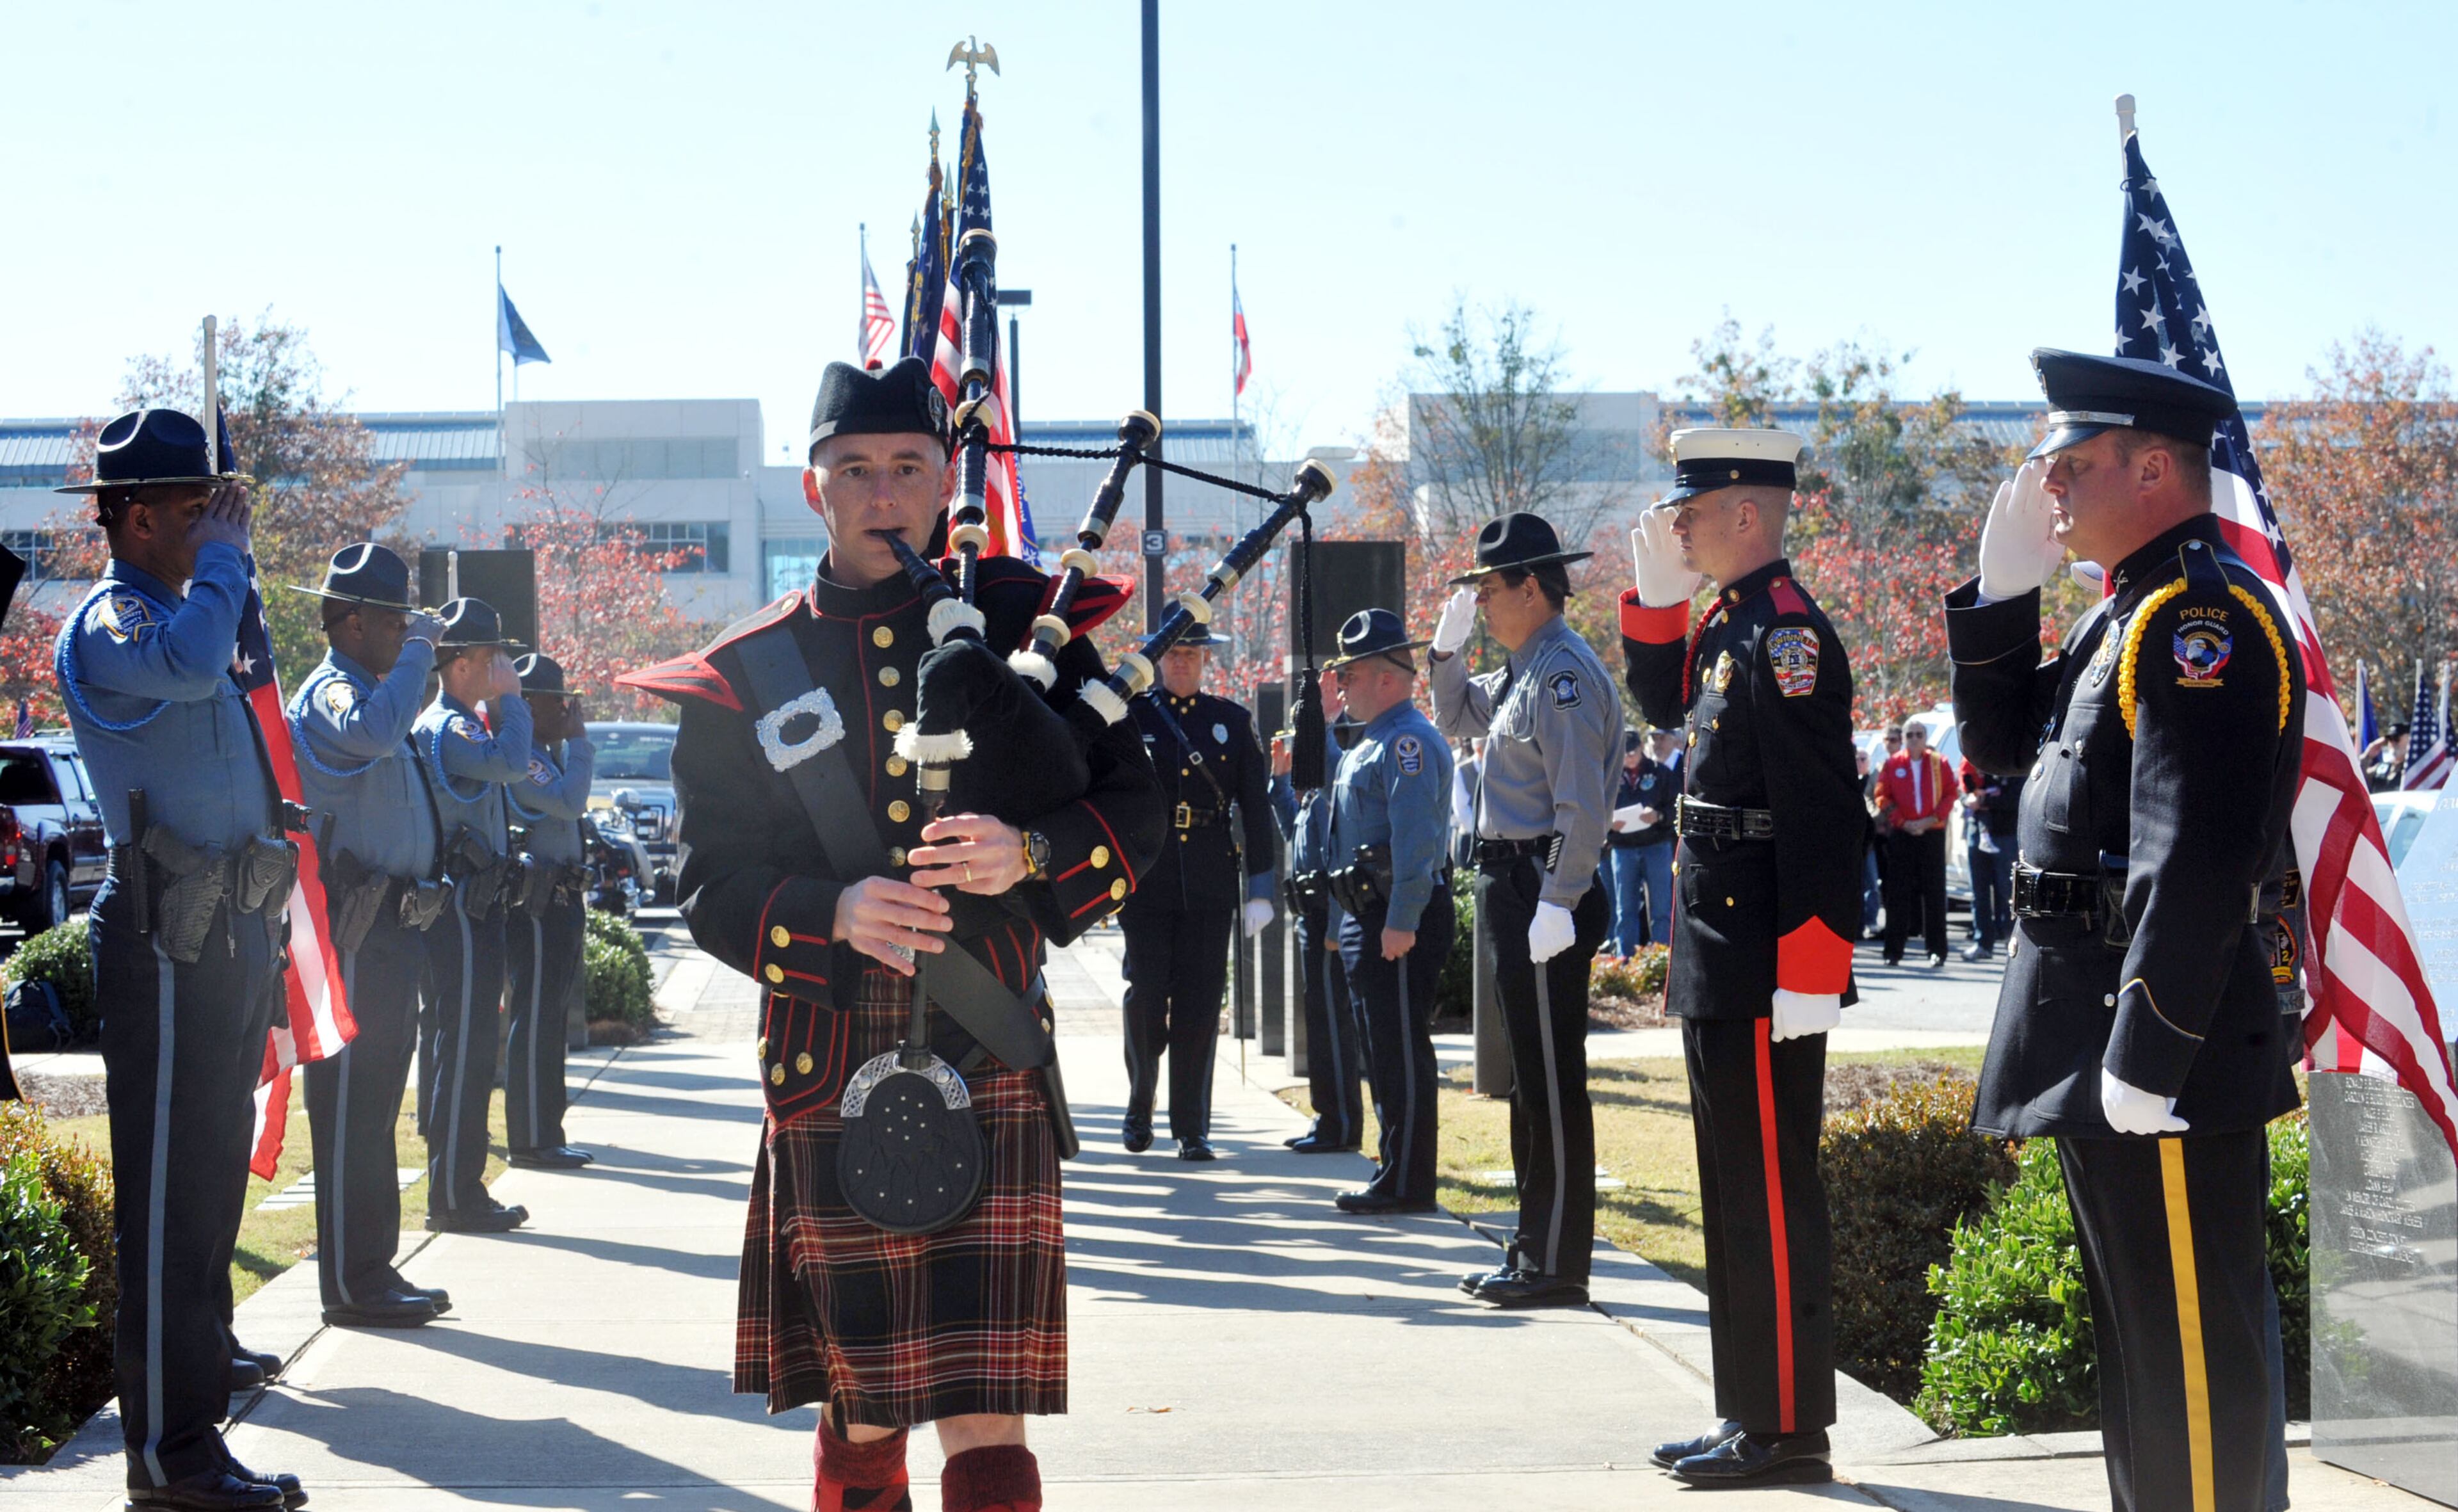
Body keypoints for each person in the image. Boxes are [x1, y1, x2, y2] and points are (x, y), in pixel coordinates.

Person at [619, 357, 1163, 1512]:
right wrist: (833, 913)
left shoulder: (1027, 625)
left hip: (985, 1041)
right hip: (829, 1057)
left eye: (908, 468)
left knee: (985, 1399)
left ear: (944, 483)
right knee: (866, 1395)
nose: (882, 493)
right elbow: (708, 881)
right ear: (815, 487)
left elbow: (1138, 804)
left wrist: (1031, 854)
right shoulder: (751, 669)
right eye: (855, 469)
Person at [1948, 350, 2303, 1512]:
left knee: (2193, 1365)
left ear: (2155, 467)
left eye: (2071, 464)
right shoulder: (2128, 613)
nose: (2048, 489)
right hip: (2099, 1025)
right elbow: (2008, 749)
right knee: (2151, 1355)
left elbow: (2195, 858)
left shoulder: (2200, 616)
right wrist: (1999, 605)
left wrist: (2148, 1052)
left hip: (2159, 1043)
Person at [54, 408, 305, 1510]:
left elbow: (242, 669)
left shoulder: (197, 599)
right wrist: (225, 563)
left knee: (206, 1196)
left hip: (228, 925)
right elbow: (198, 661)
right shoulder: (111, 620)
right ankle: (165, 1454)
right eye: (198, 507)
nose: (218, 522)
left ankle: (197, 1430)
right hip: (164, 931)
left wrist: (228, 571)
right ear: (140, 516)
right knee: (166, 1202)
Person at [1619, 427, 1861, 1486]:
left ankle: (1790, 1428)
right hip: (1723, 941)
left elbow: (1820, 816)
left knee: (1768, 1186)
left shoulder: (1788, 636)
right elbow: (1664, 704)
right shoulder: (1729, 626)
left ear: (1749, 514)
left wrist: (1813, 960)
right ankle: (1750, 1408)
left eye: (1696, 509)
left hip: (1766, 949)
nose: (1679, 524)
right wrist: (1656, 605)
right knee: (1733, 1188)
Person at [1429, 511, 1620, 1308]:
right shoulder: (1521, 670)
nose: (1480, 601)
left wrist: (1558, 899)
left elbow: (1581, 808)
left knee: (1551, 1081)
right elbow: (1453, 715)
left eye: (1487, 588)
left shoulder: (1562, 674)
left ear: (1532, 587)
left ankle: (1557, 1261)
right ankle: (1530, 1245)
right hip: (1514, 887)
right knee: (1526, 1081)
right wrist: (1445, 653)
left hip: (1543, 886)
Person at [287, 544, 454, 1330]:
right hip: (356, 927)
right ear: (349, 622)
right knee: (352, 1104)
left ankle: (372, 1267)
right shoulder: (333, 694)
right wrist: (422, 653)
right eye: (395, 619)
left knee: (378, 1102)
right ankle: (350, 1282)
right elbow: (378, 736)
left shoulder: (375, 691)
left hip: (395, 927)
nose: (407, 632)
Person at [1118, 627, 1278, 1160]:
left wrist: (1260, 887)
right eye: (1173, 654)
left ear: (1204, 659)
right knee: (1145, 996)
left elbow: (1256, 810)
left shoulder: (1231, 722)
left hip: (1210, 879)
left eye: (1191, 653)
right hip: (1148, 878)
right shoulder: (1132, 716)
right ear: (1160, 660)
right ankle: (1141, 1102)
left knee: (1200, 1004)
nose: (1182, 663)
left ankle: (1191, 1127)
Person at [1319, 609, 1456, 1214]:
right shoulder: (1371, 740)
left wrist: (1402, 919)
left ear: (1386, 678)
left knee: (1400, 1049)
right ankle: (1393, 1168)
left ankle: (1407, 1182)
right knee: (1382, 1049)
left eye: (1350, 677)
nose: (1342, 687)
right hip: (1367, 916)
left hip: (1397, 917)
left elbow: (1416, 841)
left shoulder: (1408, 742)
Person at [414, 597, 534, 1234]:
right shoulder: (453, 727)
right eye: (492, 658)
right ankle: (455, 1196)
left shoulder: (461, 721)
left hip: (472, 907)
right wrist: (512, 702)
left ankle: (459, 1188)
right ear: (462, 665)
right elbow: (512, 764)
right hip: (459, 910)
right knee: (464, 1049)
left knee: (463, 1046)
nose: (500, 669)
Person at [503, 653, 597, 1168]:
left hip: (560, 898)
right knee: (536, 1017)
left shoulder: (544, 752)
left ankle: (546, 1133)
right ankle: (531, 1139)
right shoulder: (529, 758)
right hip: (535, 902)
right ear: (529, 705)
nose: (565, 709)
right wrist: (580, 742)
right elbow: (570, 802)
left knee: (550, 1018)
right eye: (556, 701)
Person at [1268, 675, 1362, 1153]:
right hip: (1310, 908)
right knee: (1319, 1020)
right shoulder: (1314, 791)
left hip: (1328, 907)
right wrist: (1279, 781)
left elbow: (1330, 768)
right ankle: (1329, 1119)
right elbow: (1295, 830)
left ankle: (1340, 1124)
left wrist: (1322, 720)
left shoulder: (1344, 758)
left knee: (1332, 1023)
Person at [1873, 721, 1953, 967]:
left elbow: (1951, 793)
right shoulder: (1893, 763)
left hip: (1932, 833)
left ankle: (1936, 950)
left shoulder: (1940, 763)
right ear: (1904, 738)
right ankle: (1893, 952)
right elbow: (1881, 796)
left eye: (1919, 735)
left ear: (1926, 737)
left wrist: (1932, 819)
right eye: (1910, 735)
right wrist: (1902, 822)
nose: (1914, 739)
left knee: (1935, 893)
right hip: (1903, 834)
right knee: (1898, 893)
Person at [1608, 727, 1680, 954]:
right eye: (1624, 754)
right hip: (1623, 849)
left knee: (1661, 907)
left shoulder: (1660, 772)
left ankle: (1660, 958)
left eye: (1632, 753)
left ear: (1641, 748)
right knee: (1625, 908)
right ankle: (1624, 959)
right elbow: (1596, 808)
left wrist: (1658, 816)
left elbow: (1675, 808)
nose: (1628, 758)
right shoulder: (1609, 776)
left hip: (1656, 845)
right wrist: (1607, 822)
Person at [1957, 757, 2021, 961]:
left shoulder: (2014, 761)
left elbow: (2015, 798)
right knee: (1979, 892)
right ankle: (1982, 942)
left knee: (2007, 891)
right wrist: (1969, 799)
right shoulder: (1976, 757)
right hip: (1977, 832)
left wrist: (1984, 801)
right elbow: (1963, 788)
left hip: (2005, 834)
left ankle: (2010, 941)